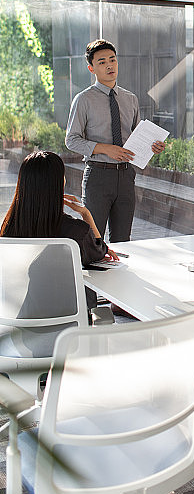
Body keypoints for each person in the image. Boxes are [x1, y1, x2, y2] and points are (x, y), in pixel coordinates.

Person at [65, 39, 165, 243]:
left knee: (123, 240)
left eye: (112, 60)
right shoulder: (83, 100)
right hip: (98, 176)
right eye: (102, 62)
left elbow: (138, 135)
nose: (109, 65)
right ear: (91, 68)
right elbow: (71, 140)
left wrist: (153, 146)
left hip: (126, 176)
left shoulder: (131, 99)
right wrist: (104, 149)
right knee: (93, 239)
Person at [0, 150, 118, 310]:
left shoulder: (8, 227)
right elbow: (99, 252)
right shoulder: (76, 231)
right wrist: (86, 213)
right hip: (69, 326)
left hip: (21, 323)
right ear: (58, 183)